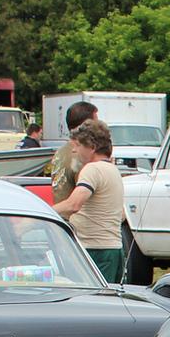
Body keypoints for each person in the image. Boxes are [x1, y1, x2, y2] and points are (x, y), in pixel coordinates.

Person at [53, 119, 126, 282]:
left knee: (93, 295)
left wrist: (45, 212)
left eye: (78, 145)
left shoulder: (92, 169)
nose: (74, 150)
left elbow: (73, 204)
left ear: (92, 147)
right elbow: (121, 214)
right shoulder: (112, 170)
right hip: (112, 249)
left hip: (96, 250)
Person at [49, 99, 97, 203]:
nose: (98, 127)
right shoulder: (81, 155)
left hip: (60, 211)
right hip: (75, 212)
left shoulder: (60, 152)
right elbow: (82, 199)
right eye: (96, 122)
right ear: (85, 125)